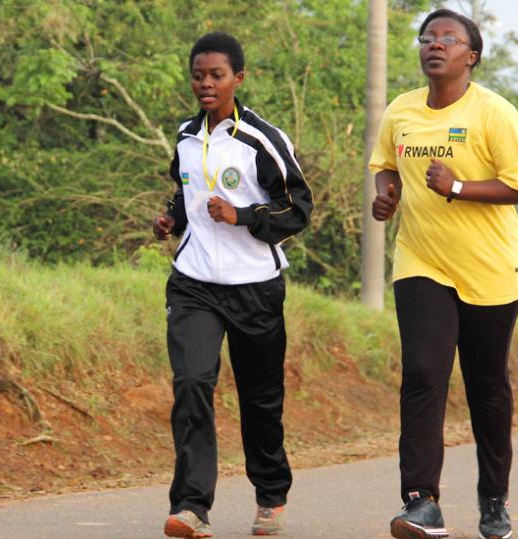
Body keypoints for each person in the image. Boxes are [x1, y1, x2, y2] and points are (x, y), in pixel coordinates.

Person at [369, 9, 518, 539]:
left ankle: (494, 498)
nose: (435, 44)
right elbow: (386, 164)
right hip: (422, 261)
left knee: (487, 386)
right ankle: (421, 502)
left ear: (472, 55)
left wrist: (458, 188)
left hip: (492, 271)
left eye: (449, 38)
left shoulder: (495, 113)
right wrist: (386, 195)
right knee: (423, 374)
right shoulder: (401, 110)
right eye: (428, 37)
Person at [152, 32, 313, 538]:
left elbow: (298, 209)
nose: (205, 83)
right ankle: (191, 506)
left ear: (237, 79)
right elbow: (185, 193)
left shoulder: (262, 140)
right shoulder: (185, 136)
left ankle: (271, 495)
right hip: (194, 283)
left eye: (216, 75)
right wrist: (171, 220)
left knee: (260, 399)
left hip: (255, 287)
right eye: (198, 75)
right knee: (192, 383)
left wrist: (242, 215)